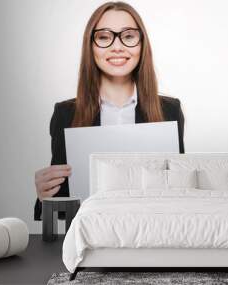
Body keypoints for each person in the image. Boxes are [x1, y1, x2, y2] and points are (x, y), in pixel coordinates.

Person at [34, 1, 185, 220]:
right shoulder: (66, 114)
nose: (117, 46)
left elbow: (180, 193)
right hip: (93, 238)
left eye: (129, 36)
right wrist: (43, 195)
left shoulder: (169, 110)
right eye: (104, 37)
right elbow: (61, 209)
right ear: (91, 46)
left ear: (142, 44)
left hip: (154, 233)